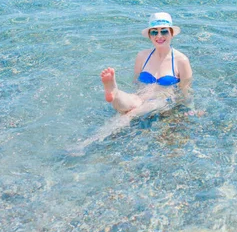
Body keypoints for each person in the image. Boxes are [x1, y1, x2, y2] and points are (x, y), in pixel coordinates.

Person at [68, 12, 194, 154]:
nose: (159, 36)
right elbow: (136, 82)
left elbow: (185, 89)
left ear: (171, 34)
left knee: (128, 114)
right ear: (150, 35)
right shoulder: (142, 56)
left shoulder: (181, 60)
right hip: (142, 94)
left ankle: (86, 143)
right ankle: (114, 91)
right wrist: (137, 98)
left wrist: (190, 109)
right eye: (154, 32)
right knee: (129, 102)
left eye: (164, 31)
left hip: (163, 98)